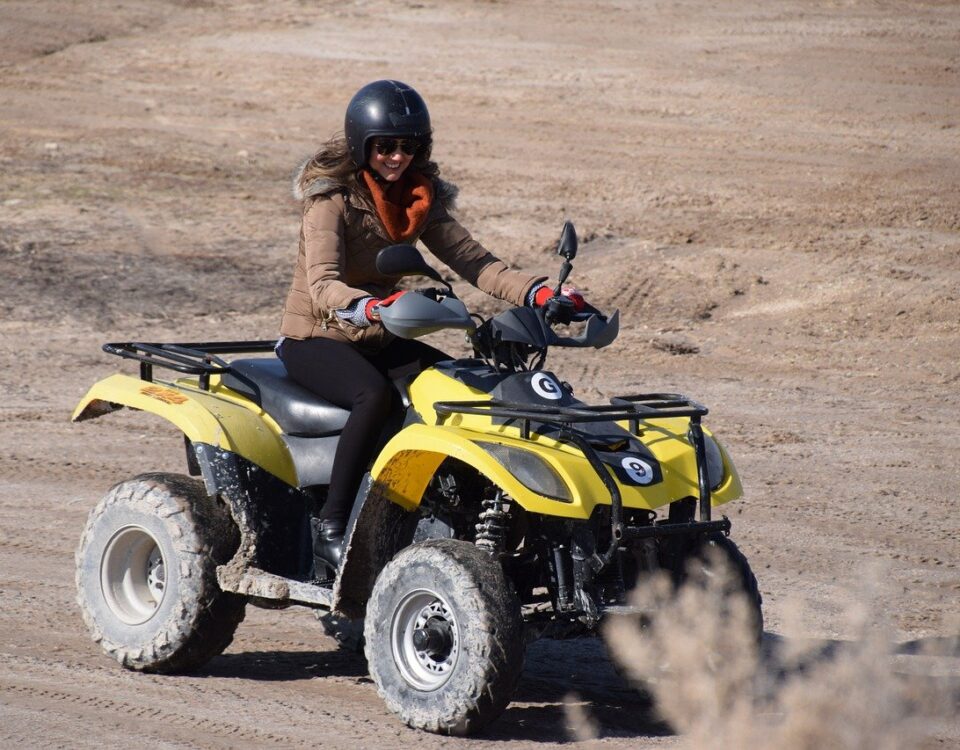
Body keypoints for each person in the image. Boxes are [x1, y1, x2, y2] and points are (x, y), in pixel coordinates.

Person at [277, 80, 585, 574]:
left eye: (408, 147)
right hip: (318, 335)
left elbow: (476, 263)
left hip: (379, 334)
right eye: (385, 147)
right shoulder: (329, 201)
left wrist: (540, 292)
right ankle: (331, 529)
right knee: (373, 397)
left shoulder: (419, 198)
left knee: (461, 390)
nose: (397, 157)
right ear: (362, 145)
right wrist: (373, 306)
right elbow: (323, 285)